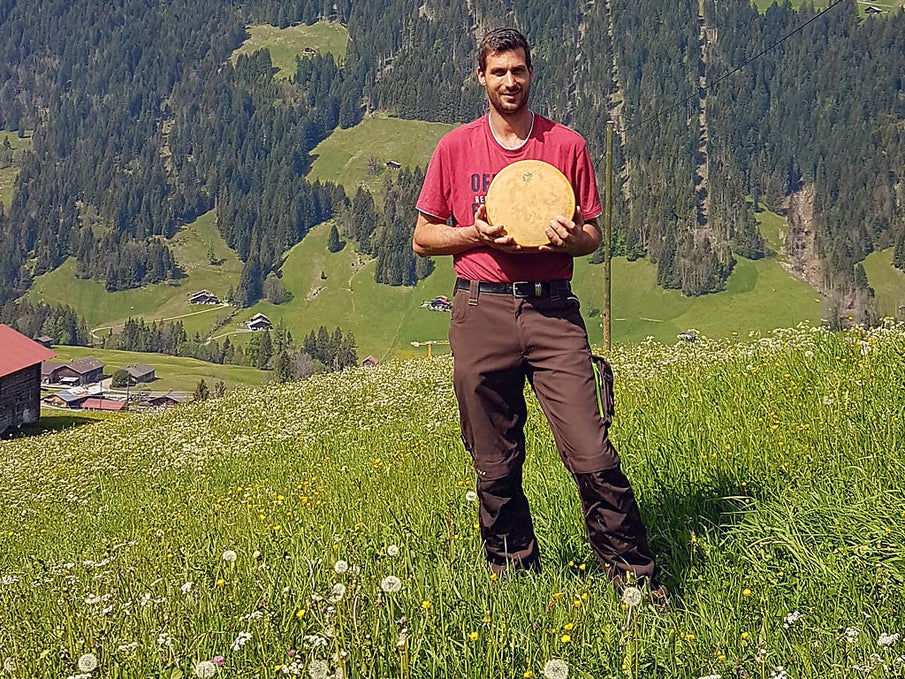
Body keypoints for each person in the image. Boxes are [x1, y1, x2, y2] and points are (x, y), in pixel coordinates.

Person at [412, 27, 662, 593]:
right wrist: (475, 234)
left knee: (591, 449)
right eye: (497, 71)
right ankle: (515, 580)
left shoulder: (565, 145)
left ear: (531, 73)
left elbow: (592, 235)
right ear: (481, 78)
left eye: (517, 70)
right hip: (482, 310)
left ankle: (636, 584)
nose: (509, 81)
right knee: (494, 460)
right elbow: (423, 238)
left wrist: (567, 239)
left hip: (553, 311)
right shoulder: (454, 149)